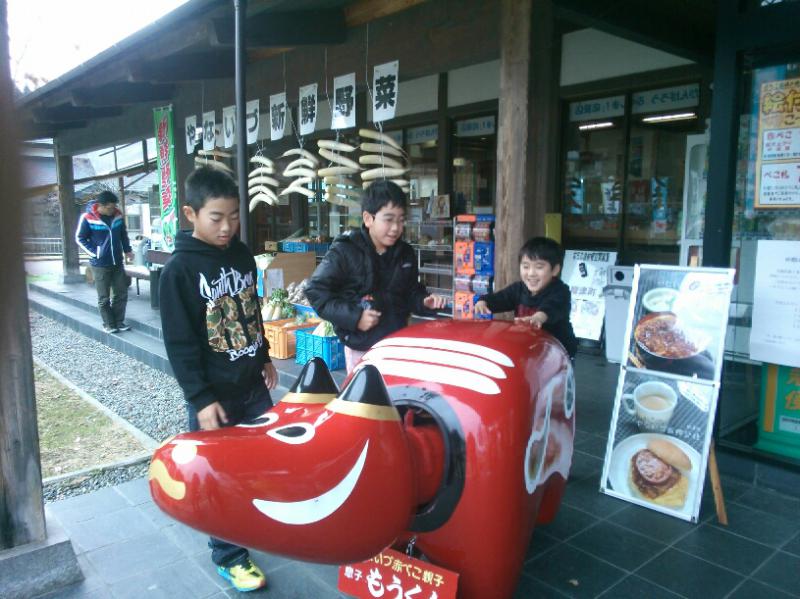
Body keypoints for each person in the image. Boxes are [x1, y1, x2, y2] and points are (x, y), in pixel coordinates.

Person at [159, 166, 277, 593]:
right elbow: (179, 343)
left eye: (234, 216)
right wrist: (200, 398)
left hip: (252, 384)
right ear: (191, 214)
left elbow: (251, 309)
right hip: (215, 397)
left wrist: (264, 354)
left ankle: (252, 524)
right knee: (218, 475)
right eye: (216, 217)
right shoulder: (178, 271)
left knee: (259, 461)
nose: (227, 226)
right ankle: (229, 555)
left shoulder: (241, 254)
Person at [305, 180, 448, 372]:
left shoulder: (405, 252)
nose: (396, 227)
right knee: (365, 392)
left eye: (401, 220)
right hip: (362, 348)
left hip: (397, 344)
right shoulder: (345, 251)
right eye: (388, 219)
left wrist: (423, 301)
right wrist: (355, 317)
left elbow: (410, 292)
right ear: (368, 218)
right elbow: (315, 291)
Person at [475, 236, 578, 358]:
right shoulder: (518, 289)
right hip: (532, 347)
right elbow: (501, 298)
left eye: (539, 267)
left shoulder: (561, 291)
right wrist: (484, 301)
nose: (531, 273)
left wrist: (538, 317)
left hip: (559, 351)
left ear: (555, 270)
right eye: (526, 266)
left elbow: (552, 307)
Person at [75, 190, 133, 333]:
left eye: (114, 207)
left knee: (121, 293)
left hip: (117, 262)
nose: (112, 210)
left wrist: (127, 250)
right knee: (104, 297)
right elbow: (80, 238)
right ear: (100, 205)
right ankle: (108, 324)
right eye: (109, 208)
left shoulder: (117, 216)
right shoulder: (88, 218)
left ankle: (119, 322)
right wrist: (95, 253)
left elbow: (123, 235)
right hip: (100, 264)